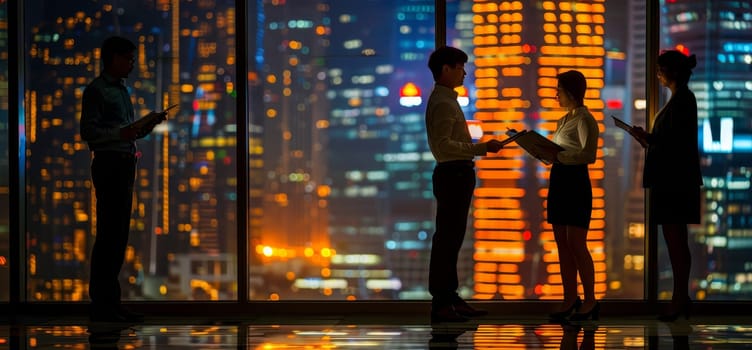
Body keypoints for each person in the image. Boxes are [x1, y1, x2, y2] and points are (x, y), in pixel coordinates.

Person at [80, 36, 167, 322]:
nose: (132, 64)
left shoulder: (122, 91)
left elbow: (126, 132)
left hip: (125, 163)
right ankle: (102, 303)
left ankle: (110, 302)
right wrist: (122, 134)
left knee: (118, 235)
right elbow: (89, 133)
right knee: (108, 233)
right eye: (128, 59)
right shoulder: (97, 91)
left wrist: (146, 125)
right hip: (109, 165)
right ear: (113, 58)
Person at [425, 46, 505, 323]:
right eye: (460, 67)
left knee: (450, 237)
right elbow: (445, 147)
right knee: (448, 238)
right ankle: (443, 301)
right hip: (453, 174)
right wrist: (482, 148)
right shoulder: (445, 102)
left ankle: (449, 297)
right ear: (446, 69)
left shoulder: (445, 99)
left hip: (453, 174)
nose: (464, 72)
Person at [630, 50, 701, 322]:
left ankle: (679, 299)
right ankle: (681, 298)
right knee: (675, 241)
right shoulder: (680, 99)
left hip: (675, 181)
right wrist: (647, 138)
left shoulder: (683, 100)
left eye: (660, 69)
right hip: (675, 179)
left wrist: (651, 138)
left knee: (675, 242)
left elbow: (676, 144)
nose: (657, 74)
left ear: (671, 71)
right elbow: (671, 141)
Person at [546, 70, 600, 322]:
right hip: (559, 180)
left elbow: (589, 155)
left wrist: (560, 157)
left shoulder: (585, 120)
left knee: (577, 244)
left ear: (570, 92)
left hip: (575, 182)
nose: (556, 94)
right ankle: (570, 298)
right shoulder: (564, 120)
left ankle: (590, 300)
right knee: (562, 245)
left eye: (558, 89)